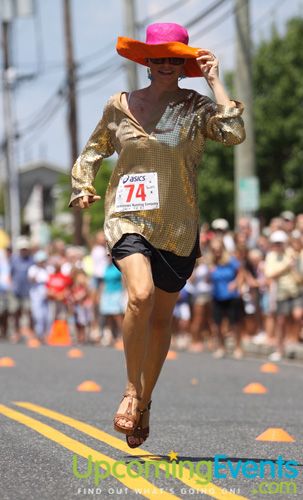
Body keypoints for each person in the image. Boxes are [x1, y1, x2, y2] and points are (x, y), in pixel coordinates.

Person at [69, 22, 245, 448]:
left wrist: (216, 81)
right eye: (159, 57)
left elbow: (233, 134)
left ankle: (146, 401)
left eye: (174, 58)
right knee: (140, 296)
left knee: (162, 318)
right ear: (146, 61)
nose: (166, 64)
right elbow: (94, 151)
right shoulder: (120, 105)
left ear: (183, 64)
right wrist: (82, 185)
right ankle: (131, 390)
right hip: (127, 218)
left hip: (178, 225)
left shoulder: (195, 107)